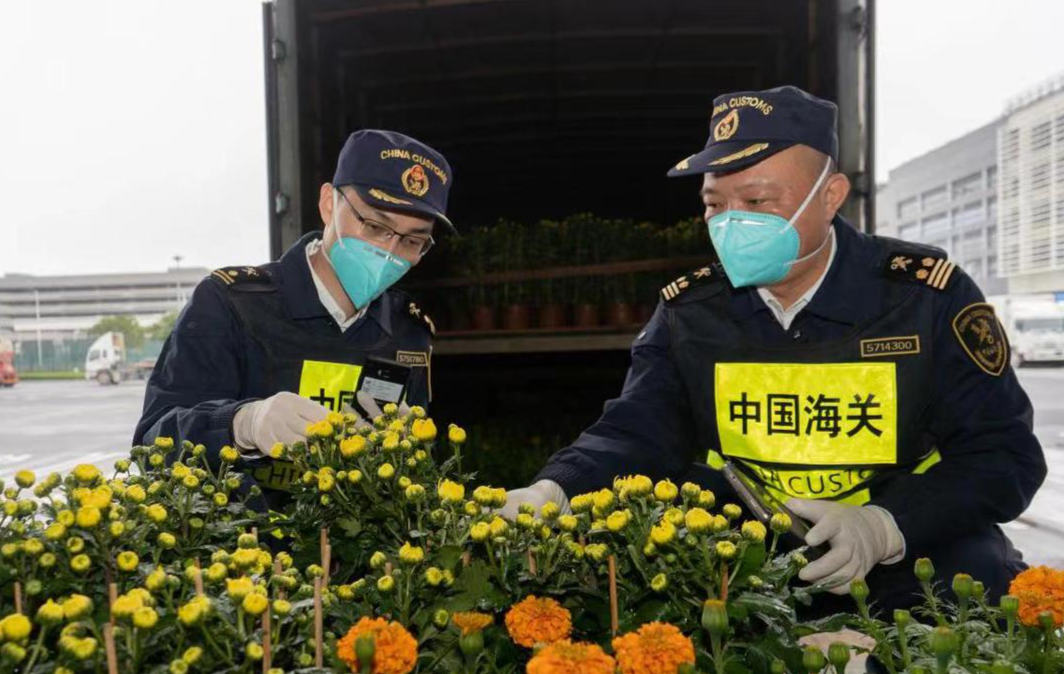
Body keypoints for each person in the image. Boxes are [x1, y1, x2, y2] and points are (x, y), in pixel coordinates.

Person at [504, 86, 1046, 615]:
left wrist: (883, 525)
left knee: (979, 598)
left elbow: (1004, 455)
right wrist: (556, 488)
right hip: (747, 548)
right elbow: (638, 430)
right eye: (715, 203)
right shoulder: (693, 311)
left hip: (904, 543)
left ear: (830, 196)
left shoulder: (924, 298)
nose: (731, 222)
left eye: (758, 201)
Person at [135, 129, 452, 504]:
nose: (390, 251)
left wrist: (402, 456)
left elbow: (413, 479)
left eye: (413, 241)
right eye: (376, 227)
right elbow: (152, 444)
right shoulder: (231, 304)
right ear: (329, 204)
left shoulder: (408, 332)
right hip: (243, 549)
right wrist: (242, 423)